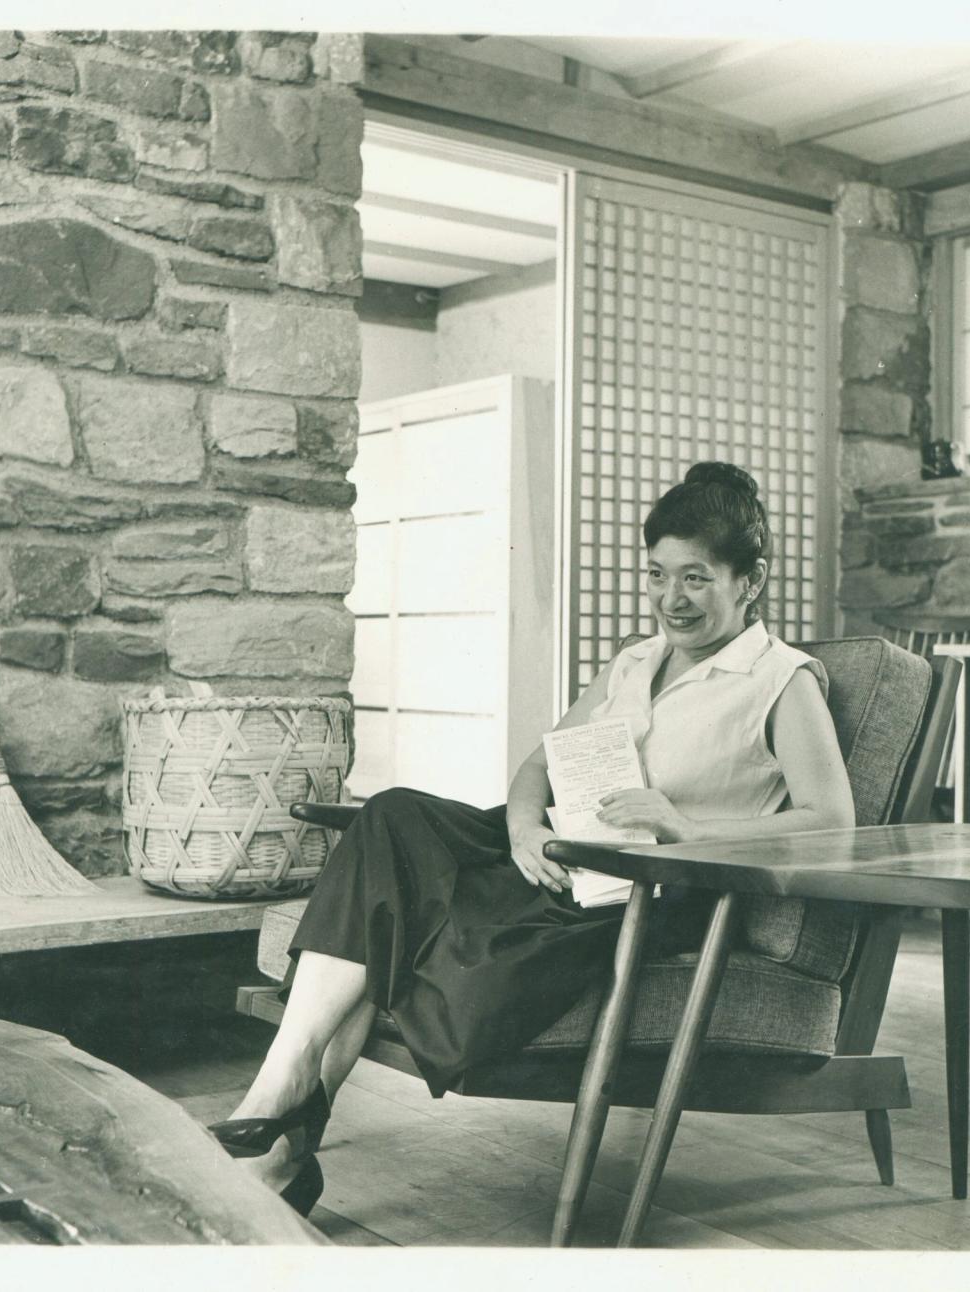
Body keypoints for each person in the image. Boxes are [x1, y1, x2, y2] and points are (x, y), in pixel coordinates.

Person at [208, 462, 855, 1215]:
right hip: (554, 852)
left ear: (750, 580)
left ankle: (281, 1136)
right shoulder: (636, 662)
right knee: (392, 816)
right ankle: (283, 1087)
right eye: (657, 575)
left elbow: (831, 821)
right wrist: (522, 829)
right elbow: (540, 764)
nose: (670, 600)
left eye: (696, 579)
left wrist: (684, 825)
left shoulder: (779, 679)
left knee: (403, 912)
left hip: (644, 884)